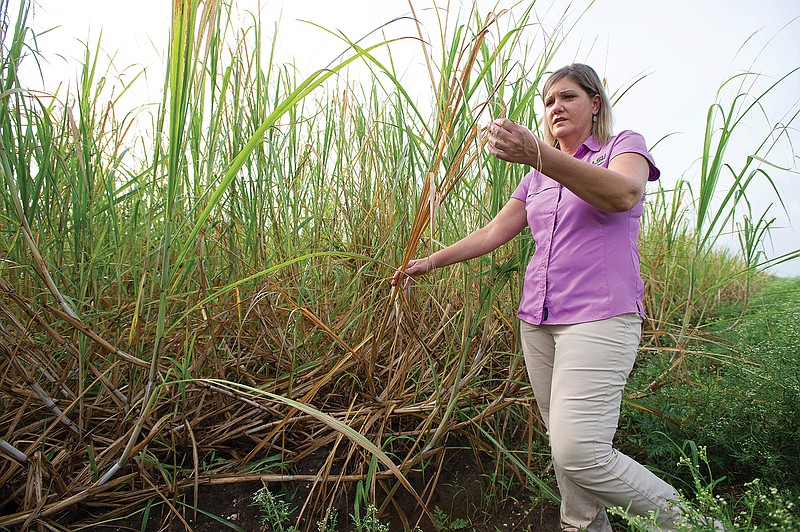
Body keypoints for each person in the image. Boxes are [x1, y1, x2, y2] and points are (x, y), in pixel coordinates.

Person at [392, 64, 695, 531]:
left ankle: (694, 524)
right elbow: (496, 230)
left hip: (599, 318)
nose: (556, 107)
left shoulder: (622, 146)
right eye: (549, 101)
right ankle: (583, 526)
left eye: (568, 97)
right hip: (538, 320)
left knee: (580, 451)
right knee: (562, 445)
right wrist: (430, 262)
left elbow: (624, 194)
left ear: (595, 104)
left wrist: (537, 153)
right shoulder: (536, 176)